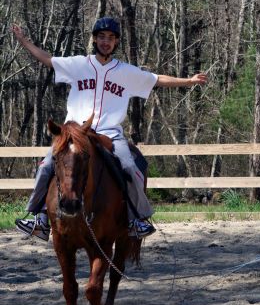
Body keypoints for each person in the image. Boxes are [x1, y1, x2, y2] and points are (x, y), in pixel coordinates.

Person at [12, 17, 207, 241]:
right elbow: (47, 59)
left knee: (130, 167)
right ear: (94, 39)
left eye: (111, 38)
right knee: (47, 165)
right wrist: (23, 41)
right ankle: (39, 218)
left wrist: (188, 81)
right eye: (102, 37)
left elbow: (157, 79)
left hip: (110, 134)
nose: (106, 41)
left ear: (116, 43)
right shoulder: (78, 64)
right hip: (75, 133)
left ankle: (137, 219)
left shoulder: (125, 72)